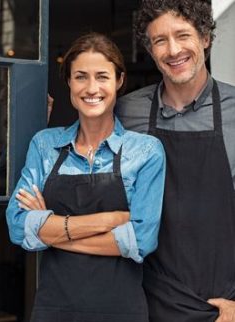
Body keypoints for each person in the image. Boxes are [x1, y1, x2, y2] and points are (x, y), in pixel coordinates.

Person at [6, 32, 166, 322]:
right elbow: (18, 226)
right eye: (81, 76)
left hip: (121, 312)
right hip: (54, 310)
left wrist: (52, 232)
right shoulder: (45, 145)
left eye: (102, 76)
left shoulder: (145, 151)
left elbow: (141, 240)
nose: (92, 88)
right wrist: (109, 220)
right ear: (69, 82)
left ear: (119, 81)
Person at [114, 0, 235, 321]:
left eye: (183, 35)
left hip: (222, 305)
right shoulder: (125, 113)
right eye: (160, 41)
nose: (173, 50)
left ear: (205, 38)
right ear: (150, 51)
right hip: (145, 298)